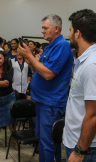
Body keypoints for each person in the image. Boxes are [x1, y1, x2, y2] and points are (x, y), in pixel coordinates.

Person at [18, 14, 73, 162]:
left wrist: (29, 55)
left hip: (51, 103)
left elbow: (48, 74)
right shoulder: (50, 47)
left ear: (56, 29)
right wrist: (30, 60)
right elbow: (39, 71)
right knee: (42, 139)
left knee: (48, 142)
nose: (42, 31)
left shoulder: (62, 45)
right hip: (42, 101)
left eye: (45, 28)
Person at [63, 9, 96, 162]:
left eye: (70, 30)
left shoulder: (91, 65)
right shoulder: (84, 60)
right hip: (76, 141)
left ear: (78, 33)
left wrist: (78, 151)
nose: (68, 34)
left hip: (85, 148)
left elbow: (93, 115)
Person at [0, 51, 15, 160]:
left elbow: (6, 83)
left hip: (9, 98)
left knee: (11, 121)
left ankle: (14, 139)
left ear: (4, 59)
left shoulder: (10, 69)